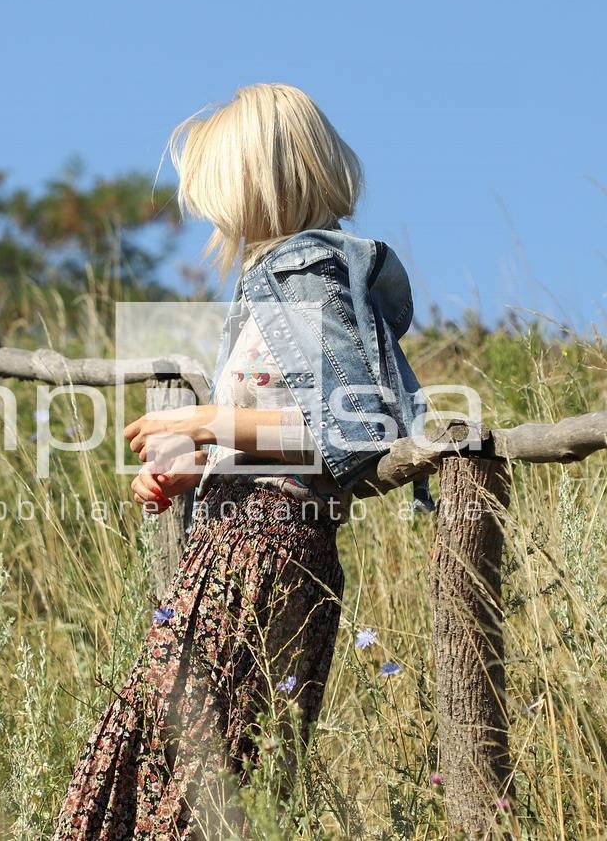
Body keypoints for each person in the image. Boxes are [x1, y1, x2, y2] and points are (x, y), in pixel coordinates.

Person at [53, 82, 431, 839]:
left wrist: (204, 419)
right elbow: (292, 428)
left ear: (256, 180)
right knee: (182, 777)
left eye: (216, 190)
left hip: (262, 552)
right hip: (246, 543)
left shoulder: (304, 275)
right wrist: (202, 461)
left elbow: (352, 431)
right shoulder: (274, 285)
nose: (210, 212)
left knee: (184, 782)